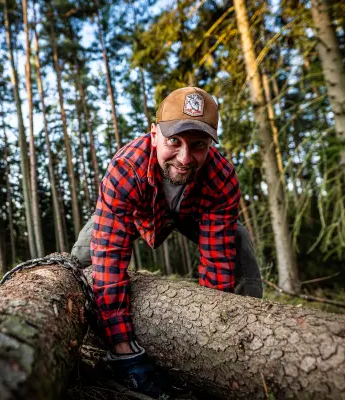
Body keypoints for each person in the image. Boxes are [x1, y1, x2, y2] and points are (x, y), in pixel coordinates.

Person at [72, 86, 262, 397]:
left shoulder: (221, 176)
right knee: (84, 260)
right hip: (133, 213)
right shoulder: (126, 167)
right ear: (153, 133)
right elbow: (110, 255)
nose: (185, 158)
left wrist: (212, 335)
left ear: (210, 144)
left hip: (188, 216)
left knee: (237, 241)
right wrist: (123, 348)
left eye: (198, 145)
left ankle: (244, 340)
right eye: (174, 141)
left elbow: (217, 261)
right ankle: (77, 333)